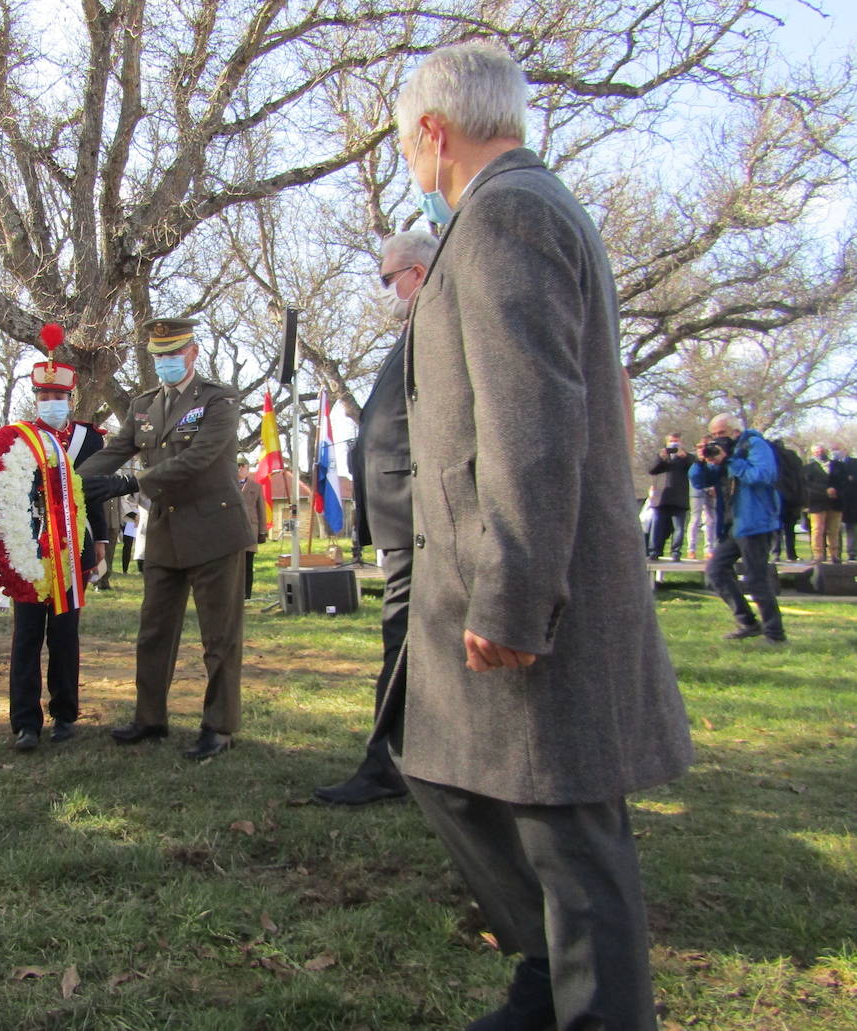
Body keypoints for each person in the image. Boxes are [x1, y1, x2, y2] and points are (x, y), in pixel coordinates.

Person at [394, 42, 693, 1030]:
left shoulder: (508, 214)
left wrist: (514, 590)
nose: (410, 165)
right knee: (442, 767)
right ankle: (542, 979)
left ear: (435, 131)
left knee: (568, 830)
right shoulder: (511, 208)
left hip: (530, 581)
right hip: (486, 571)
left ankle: (598, 1012)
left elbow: (532, 421)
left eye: (406, 145)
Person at [78, 316, 253, 760]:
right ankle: (149, 718)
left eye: (174, 354)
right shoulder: (143, 405)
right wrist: (66, 481)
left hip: (214, 531)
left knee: (219, 637)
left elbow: (199, 458)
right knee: (153, 632)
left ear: (193, 352)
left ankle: (219, 725)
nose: (166, 362)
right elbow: (116, 451)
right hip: (164, 535)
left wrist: (130, 485)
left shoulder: (219, 400)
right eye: (159, 356)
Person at [314, 228, 436, 808]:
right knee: (407, 640)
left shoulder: (437, 327)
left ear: (416, 273)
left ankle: (389, 766)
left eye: (389, 278)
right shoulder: (416, 330)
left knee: (405, 642)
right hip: (402, 520)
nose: (386, 289)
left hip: (422, 520)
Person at [0, 349, 107, 752]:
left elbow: (95, 494)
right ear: (36, 398)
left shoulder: (88, 438)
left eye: (58, 396)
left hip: (73, 548)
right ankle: (25, 722)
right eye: (44, 396)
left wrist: (100, 542)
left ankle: (65, 713)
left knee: (65, 635)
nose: (51, 403)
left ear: (70, 399)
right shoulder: (19, 439)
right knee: (26, 637)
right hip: (27, 551)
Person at [690, 414, 785, 643]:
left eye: (721, 433)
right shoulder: (725, 456)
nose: (718, 439)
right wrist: (701, 462)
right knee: (715, 571)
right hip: (733, 526)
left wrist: (731, 460)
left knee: (756, 578)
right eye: (714, 435)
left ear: (735, 432)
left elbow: (763, 475)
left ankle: (775, 634)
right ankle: (748, 622)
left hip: (756, 523)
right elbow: (699, 482)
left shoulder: (754, 444)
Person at [645, 433, 690, 561]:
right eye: (671, 441)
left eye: (676, 441)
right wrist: (661, 458)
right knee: (657, 527)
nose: (674, 444)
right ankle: (654, 552)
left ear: (681, 443)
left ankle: (676, 552)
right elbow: (651, 469)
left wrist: (685, 457)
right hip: (661, 498)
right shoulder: (661, 456)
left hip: (679, 499)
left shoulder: (686, 457)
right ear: (666, 442)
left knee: (679, 528)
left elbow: (694, 467)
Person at [803, 444, 842, 562]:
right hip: (817, 502)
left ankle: (834, 555)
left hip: (836, 502)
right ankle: (818, 555)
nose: (820, 453)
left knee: (834, 530)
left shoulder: (839, 466)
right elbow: (807, 485)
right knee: (817, 530)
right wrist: (825, 491)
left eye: (821, 451)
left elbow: (844, 482)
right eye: (816, 452)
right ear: (813, 454)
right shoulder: (808, 468)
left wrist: (836, 490)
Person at [237, 459, 268, 598]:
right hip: (233, 530)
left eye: (243, 467)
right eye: (238, 466)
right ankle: (234, 593)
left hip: (250, 529)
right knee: (234, 564)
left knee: (248, 563)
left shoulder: (256, 487)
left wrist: (263, 531)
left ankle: (246, 593)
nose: (240, 469)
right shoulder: (228, 485)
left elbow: (261, 510)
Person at [120, 509, 139, 574]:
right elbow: (124, 505)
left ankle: (142, 569)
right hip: (128, 520)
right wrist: (134, 516)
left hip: (140, 516)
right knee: (128, 546)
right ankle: (125, 569)